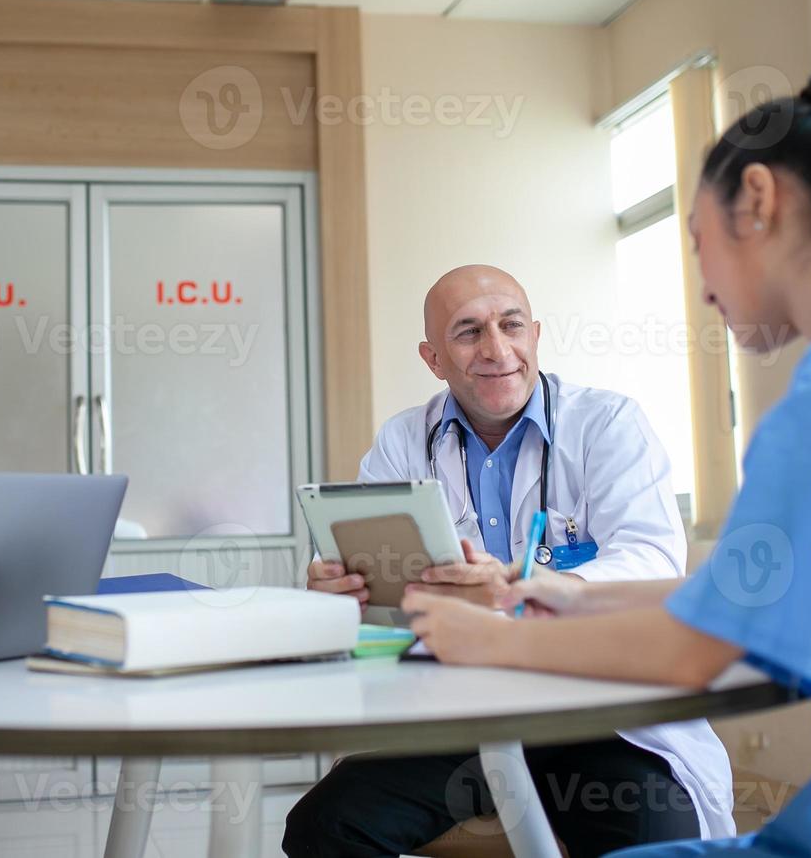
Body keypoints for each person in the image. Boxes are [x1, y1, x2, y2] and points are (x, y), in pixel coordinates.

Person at [402, 58, 811, 855]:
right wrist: (572, 594)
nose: (703, 289)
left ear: (759, 200)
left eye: (698, 242)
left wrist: (495, 640)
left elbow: (700, 648)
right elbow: (768, 583)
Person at [284, 265, 734, 857]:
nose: (497, 350)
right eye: (468, 332)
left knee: (649, 842)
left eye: (511, 325)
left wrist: (523, 587)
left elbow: (651, 559)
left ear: (536, 334)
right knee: (325, 826)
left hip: (602, 718)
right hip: (466, 718)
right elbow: (370, 583)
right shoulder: (402, 443)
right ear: (433, 359)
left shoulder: (607, 425)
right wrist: (339, 590)